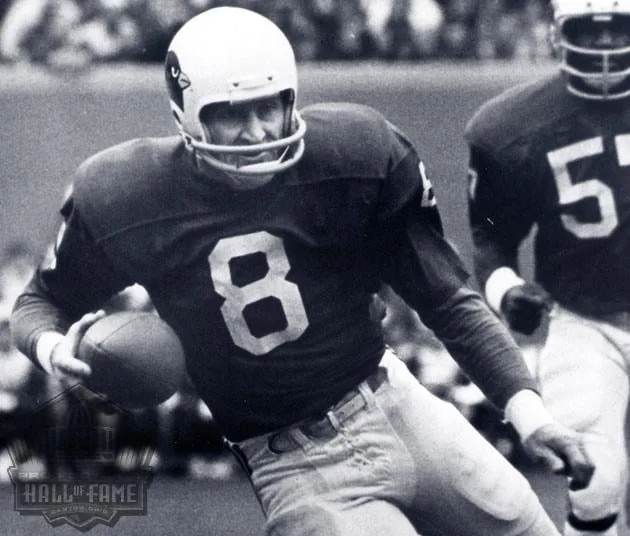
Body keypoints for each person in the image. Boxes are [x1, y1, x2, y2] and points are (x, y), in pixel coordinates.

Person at [11, 6, 592, 535]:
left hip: (399, 403)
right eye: (230, 113)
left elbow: (446, 297)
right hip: (294, 461)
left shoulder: (355, 153)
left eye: (269, 105)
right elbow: (37, 304)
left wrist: (530, 415)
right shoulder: (126, 195)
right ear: (184, 115)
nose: (258, 131)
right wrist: (54, 349)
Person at [464, 1, 630, 535]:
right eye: (590, 32)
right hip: (586, 323)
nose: (604, 48)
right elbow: (491, 235)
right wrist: (506, 289)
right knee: (596, 479)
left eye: (617, 30)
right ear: (558, 34)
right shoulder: (512, 126)